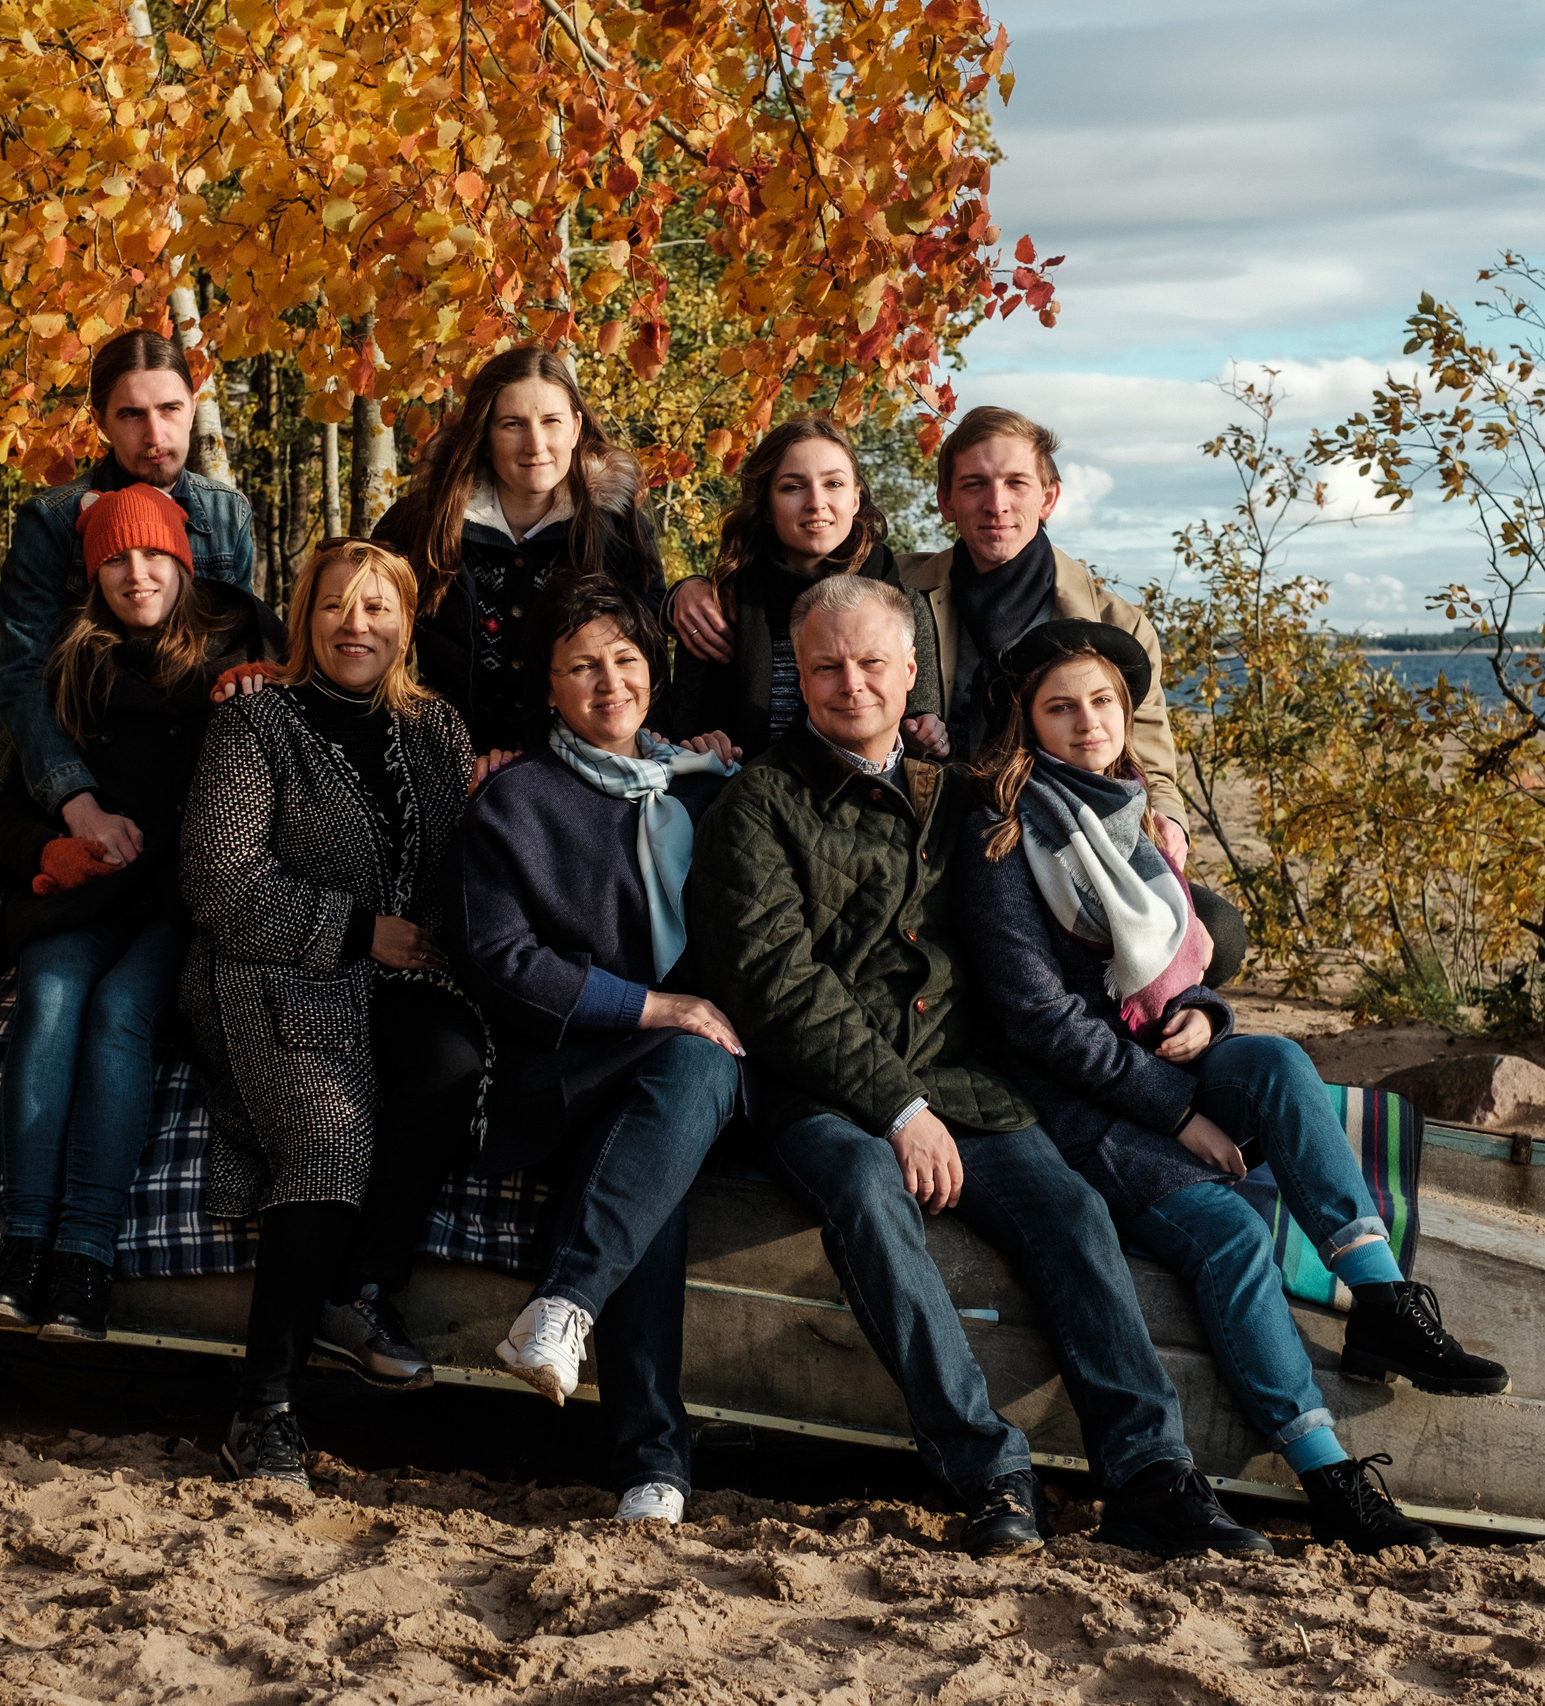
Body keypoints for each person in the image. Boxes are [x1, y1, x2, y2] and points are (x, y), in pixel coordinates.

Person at [687, 575, 1271, 1560]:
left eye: (872, 660)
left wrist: (1207, 956)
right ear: (799, 672)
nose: (850, 681)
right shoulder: (756, 805)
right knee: (871, 1197)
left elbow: (1110, 886)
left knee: (1071, 1211)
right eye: (826, 664)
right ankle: (988, 1467)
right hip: (825, 1088)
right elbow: (776, 984)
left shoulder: (963, 795)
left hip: (966, 1079)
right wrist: (897, 1105)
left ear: (910, 669)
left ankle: (1150, 1472)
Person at [956, 619, 1511, 1555]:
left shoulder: (1132, 809)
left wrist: (1209, 1014)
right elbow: (1037, 1024)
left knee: (1278, 1061)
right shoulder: (1004, 835)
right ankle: (1328, 1472)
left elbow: (1183, 955)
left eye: (1101, 701)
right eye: (1059, 707)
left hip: (1158, 1053)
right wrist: (1180, 1117)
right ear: (1027, 723)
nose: (1086, 721)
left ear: (1125, 710)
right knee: (1228, 1229)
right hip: (1078, 1104)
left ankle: (1381, 1302)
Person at [179, 539, 484, 1491]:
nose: (357, 626)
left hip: (402, 972)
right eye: (334, 608)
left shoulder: (438, 730)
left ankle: (355, 1290)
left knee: (449, 1069)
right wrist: (358, 931)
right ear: (303, 620)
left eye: (378, 608)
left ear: (405, 625)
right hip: (271, 964)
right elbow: (218, 885)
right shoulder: (256, 723)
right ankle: (261, 1410)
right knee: (329, 1131)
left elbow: (462, 865)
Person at [446, 575, 743, 1525]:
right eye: (581, 667)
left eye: (624, 661)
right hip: (569, 1064)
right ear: (549, 687)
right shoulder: (516, 801)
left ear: (653, 676)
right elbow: (500, 960)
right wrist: (651, 1006)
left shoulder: (711, 793)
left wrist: (686, 1017)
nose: (607, 682)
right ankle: (652, 1465)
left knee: (693, 1070)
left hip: (710, 1067)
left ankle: (570, 1318)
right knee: (660, 1123)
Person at [0, 484, 284, 1342]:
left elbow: (303, 764)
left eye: (153, 556)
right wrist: (48, 850)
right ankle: (22, 1251)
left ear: (184, 560)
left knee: (118, 1014)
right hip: (93, 888)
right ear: (91, 572)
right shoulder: (67, 661)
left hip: (187, 903)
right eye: (115, 559)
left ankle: (84, 1261)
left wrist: (275, 693)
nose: (136, 574)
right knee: (51, 999)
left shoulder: (242, 645)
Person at [898, 404, 1246, 985]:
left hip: (1058, 844)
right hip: (928, 838)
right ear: (945, 501)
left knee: (1218, 933)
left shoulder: (1117, 626)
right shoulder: (896, 591)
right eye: (974, 485)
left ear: (1049, 498)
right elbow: (799, 578)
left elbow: (1153, 769)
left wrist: (1170, 841)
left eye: (1016, 483)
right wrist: (695, 590)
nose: (996, 503)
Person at [0, 329, 255, 864]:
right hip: (29, 771)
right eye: (131, 414)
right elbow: (21, 674)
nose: (155, 433)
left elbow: (236, 653)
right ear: (99, 420)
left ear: (194, 404)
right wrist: (79, 807)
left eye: (169, 407)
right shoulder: (52, 521)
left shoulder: (227, 516)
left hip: (154, 770)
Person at [371, 346, 664, 757]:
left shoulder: (614, 528)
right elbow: (352, 616)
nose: (535, 444)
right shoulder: (424, 521)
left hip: (582, 773)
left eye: (551, 422)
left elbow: (646, 656)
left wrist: (692, 588)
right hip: (446, 764)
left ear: (576, 429)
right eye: (512, 424)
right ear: (485, 437)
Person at [667, 416, 947, 761]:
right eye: (793, 487)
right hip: (741, 801)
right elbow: (683, 736)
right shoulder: (719, 606)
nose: (816, 502)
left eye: (833, 484)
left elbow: (920, 725)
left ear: (855, 499)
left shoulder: (902, 602)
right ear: (767, 506)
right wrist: (703, 750)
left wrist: (925, 733)